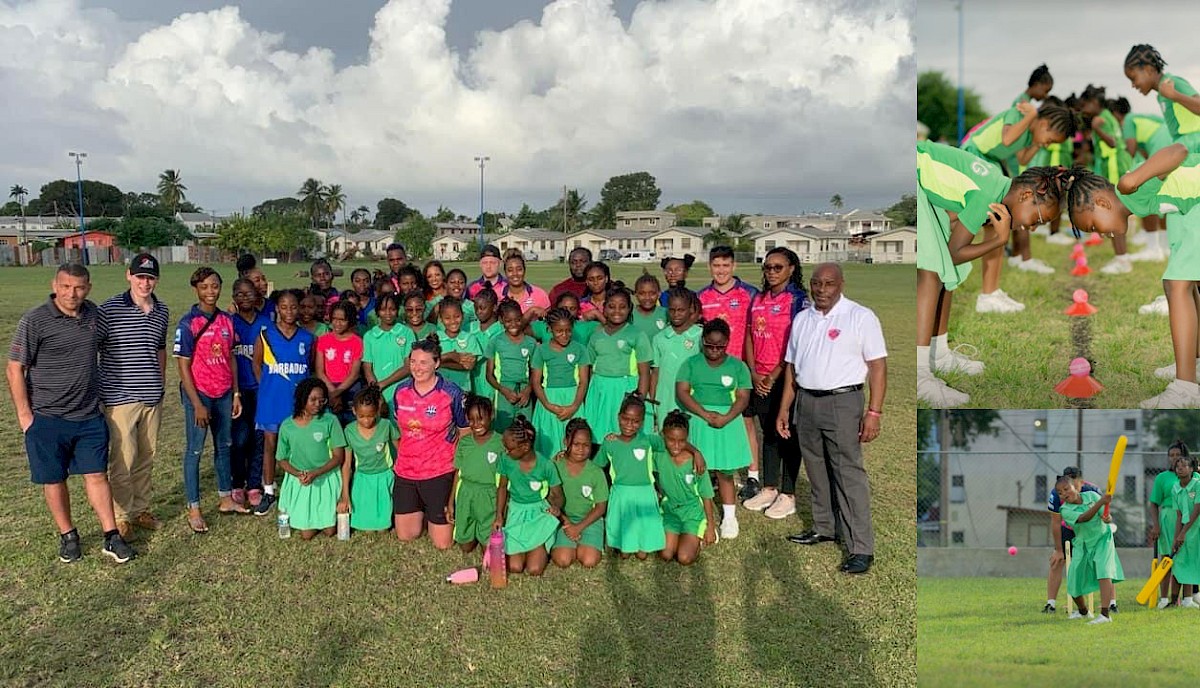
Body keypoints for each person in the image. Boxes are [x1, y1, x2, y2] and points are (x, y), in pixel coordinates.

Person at [916, 141, 1070, 406]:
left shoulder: (996, 185)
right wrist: (998, 241)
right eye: (1037, 219)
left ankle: (938, 355)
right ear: (1026, 196)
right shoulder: (987, 193)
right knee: (931, 274)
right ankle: (918, 377)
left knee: (946, 273)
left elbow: (954, 219)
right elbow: (956, 251)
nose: (1032, 227)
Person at [7, 263, 136, 563]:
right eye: (65, 286)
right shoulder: (35, 320)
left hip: (89, 416)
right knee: (54, 479)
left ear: (88, 288)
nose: (71, 293)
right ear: (55, 285)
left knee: (96, 475)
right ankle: (68, 536)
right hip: (47, 417)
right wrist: (25, 416)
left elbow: (113, 346)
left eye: (78, 287)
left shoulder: (95, 316)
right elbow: (15, 368)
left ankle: (111, 535)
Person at [1063, 145, 1200, 407]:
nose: (1101, 234)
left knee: (1177, 283)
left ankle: (1186, 388)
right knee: (1178, 284)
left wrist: (1132, 179)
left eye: (1093, 225)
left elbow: (1179, 151)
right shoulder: (1139, 201)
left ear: (1102, 203)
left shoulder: (1128, 186)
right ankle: (1194, 364)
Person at [776, 263, 886, 575]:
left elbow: (878, 366)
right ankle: (824, 527)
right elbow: (792, 369)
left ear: (841, 284)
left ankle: (860, 547)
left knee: (848, 474)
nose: (822, 290)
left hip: (843, 401)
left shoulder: (860, 316)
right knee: (816, 469)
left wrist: (874, 412)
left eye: (829, 284)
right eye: (816, 283)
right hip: (807, 401)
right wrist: (785, 408)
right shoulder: (802, 318)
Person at [97, 253, 170, 540]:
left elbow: (160, 348)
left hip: (152, 396)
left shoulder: (161, 310)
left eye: (150, 277)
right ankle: (121, 515)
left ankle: (140, 509)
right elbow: (95, 348)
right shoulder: (109, 310)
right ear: (129, 275)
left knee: (146, 457)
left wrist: (160, 381)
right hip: (120, 398)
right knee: (122, 460)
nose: (145, 282)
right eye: (140, 276)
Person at [174, 267, 245, 533]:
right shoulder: (188, 323)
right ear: (196, 289)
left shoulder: (227, 320)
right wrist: (196, 404)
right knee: (195, 450)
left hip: (224, 393)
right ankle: (194, 508)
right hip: (200, 395)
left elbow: (231, 358)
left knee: (223, 447)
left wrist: (236, 393)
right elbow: (183, 366)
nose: (210, 292)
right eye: (204, 287)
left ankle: (226, 498)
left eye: (215, 286)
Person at [742, 248, 808, 519]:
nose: (771, 272)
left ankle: (788, 494)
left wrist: (773, 375)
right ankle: (769, 487)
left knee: (786, 434)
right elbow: (749, 336)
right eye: (768, 267)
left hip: (785, 378)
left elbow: (795, 344)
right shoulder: (758, 298)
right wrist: (755, 372)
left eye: (778, 267)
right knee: (768, 432)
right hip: (760, 377)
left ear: (791, 268)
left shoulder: (798, 300)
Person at [675, 319, 752, 540]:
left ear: (727, 343)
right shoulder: (691, 364)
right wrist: (704, 413)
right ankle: (696, 513)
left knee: (725, 471)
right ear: (703, 341)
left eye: (720, 346)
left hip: (727, 422)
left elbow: (743, 396)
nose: (714, 351)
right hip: (699, 419)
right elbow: (683, 392)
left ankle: (729, 516)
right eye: (709, 345)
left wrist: (726, 416)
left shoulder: (738, 366)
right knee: (696, 469)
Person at [391, 335, 468, 549]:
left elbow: (465, 433)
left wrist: (456, 467)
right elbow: (400, 428)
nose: (417, 367)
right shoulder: (400, 392)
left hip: (439, 471)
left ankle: (435, 510)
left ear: (437, 363)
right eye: (413, 361)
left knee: (443, 544)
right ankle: (423, 512)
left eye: (424, 362)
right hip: (406, 471)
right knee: (406, 535)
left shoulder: (451, 393)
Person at [252, 289, 315, 516]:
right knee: (270, 445)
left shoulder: (307, 338)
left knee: (298, 444)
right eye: (284, 307)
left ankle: (299, 484)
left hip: (297, 402)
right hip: (272, 400)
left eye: (294, 307)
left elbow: (310, 368)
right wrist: (267, 386)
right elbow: (257, 364)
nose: (289, 311)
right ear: (277, 308)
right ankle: (269, 491)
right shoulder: (265, 335)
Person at [594, 394, 666, 559]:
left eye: (635, 421)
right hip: (621, 495)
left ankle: (643, 541)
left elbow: (672, 442)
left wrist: (695, 452)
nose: (630, 425)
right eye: (626, 419)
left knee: (642, 554)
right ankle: (624, 543)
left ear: (642, 422)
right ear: (619, 417)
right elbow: (596, 466)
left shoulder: (648, 440)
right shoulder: (610, 442)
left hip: (645, 493)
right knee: (625, 553)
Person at [277, 378, 348, 540]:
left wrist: (316, 473)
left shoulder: (330, 421)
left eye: (321, 400)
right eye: (313, 400)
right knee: (306, 534)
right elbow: (281, 459)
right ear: (302, 399)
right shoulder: (287, 425)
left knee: (330, 531)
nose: (318, 404)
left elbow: (338, 457)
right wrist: (298, 474)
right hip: (301, 480)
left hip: (325, 476)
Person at [493, 415, 564, 576]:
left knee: (534, 569)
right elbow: (502, 487)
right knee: (515, 567)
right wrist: (499, 515)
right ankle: (523, 549)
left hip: (538, 514)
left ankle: (537, 546)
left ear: (525, 447)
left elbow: (557, 495)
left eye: (509, 448)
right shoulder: (506, 460)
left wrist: (556, 507)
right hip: (516, 512)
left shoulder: (546, 465)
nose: (505, 451)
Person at [584, 283, 652, 441]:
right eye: (611, 306)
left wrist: (639, 398)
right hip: (600, 390)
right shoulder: (596, 336)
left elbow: (644, 372)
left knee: (624, 433)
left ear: (629, 309)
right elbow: (589, 368)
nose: (616, 311)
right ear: (604, 308)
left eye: (622, 307)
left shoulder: (637, 334)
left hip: (626, 389)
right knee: (599, 435)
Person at [1057, 476, 1122, 624]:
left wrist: (1107, 518)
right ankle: (1083, 612)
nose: (1064, 494)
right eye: (1060, 493)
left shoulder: (1091, 496)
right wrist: (1101, 502)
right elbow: (1083, 518)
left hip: (1102, 539)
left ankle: (1105, 614)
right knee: (1074, 580)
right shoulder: (1065, 509)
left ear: (1075, 487)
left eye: (1066, 489)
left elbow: (1104, 515)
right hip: (1082, 544)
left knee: (1104, 571)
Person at [656, 410, 717, 565]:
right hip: (670, 510)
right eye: (671, 440)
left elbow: (707, 495)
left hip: (692, 513)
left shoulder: (696, 463)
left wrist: (711, 526)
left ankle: (696, 540)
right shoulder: (659, 453)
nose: (676, 445)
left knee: (684, 558)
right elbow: (638, 440)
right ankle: (676, 536)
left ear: (687, 438)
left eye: (682, 441)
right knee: (666, 554)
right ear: (663, 435)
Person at [530, 307, 592, 460]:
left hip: (573, 400)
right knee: (548, 446)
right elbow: (536, 382)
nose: (564, 335)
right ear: (549, 329)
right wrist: (548, 405)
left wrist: (574, 406)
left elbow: (584, 381)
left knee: (573, 443)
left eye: (568, 330)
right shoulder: (541, 350)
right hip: (548, 401)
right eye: (559, 331)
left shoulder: (580, 349)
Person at [230, 277, 269, 509]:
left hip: (260, 389)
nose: (245, 298)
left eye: (249, 294)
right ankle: (237, 484)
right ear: (234, 297)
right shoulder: (229, 322)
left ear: (257, 297)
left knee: (258, 438)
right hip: (237, 391)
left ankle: (254, 485)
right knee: (239, 439)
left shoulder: (266, 323)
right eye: (240, 294)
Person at [1041, 465, 1101, 614]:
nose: (1070, 489)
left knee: (1101, 562)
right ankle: (1051, 604)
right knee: (1057, 561)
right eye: (1068, 484)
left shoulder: (1092, 491)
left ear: (1081, 481)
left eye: (1075, 482)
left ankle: (1111, 603)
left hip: (1090, 531)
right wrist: (1059, 550)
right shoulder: (1057, 493)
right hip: (1068, 528)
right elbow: (1055, 522)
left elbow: (1104, 513)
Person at [448, 394, 503, 553]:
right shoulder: (464, 443)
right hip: (466, 494)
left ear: (491, 416)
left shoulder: (500, 443)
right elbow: (457, 473)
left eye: (480, 418)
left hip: (488, 496)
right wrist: (451, 502)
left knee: (488, 548)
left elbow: (505, 479)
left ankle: (483, 534)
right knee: (465, 547)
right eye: (471, 420)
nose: (476, 424)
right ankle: (471, 532)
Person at [551, 419, 608, 569]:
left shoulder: (596, 471)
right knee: (562, 560)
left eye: (586, 445)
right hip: (563, 519)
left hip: (590, 520)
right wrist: (566, 522)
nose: (581, 449)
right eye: (576, 444)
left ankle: (586, 541)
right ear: (566, 442)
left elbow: (601, 507)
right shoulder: (555, 466)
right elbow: (550, 499)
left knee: (589, 560)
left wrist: (578, 527)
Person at [650, 286, 703, 425]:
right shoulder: (659, 338)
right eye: (672, 310)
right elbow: (655, 373)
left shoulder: (700, 336)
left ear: (690, 309)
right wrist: (653, 402)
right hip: (665, 399)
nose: (676, 314)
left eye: (681, 310)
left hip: (692, 399)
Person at [485, 298, 537, 430]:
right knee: (504, 429)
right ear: (502, 320)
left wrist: (528, 390)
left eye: (518, 320)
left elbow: (535, 372)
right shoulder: (496, 341)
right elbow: (489, 375)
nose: (514, 324)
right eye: (508, 321)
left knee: (525, 429)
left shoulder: (531, 343)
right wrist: (504, 390)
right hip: (504, 391)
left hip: (524, 392)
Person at [1149, 443, 1187, 608]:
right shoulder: (1162, 478)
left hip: (1186, 519)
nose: (1174, 458)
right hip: (1167, 519)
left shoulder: (1191, 477)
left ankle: (1185, 598)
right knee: (1166, 557)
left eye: (1177, 454)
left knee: (1184, 559)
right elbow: (1153, 503)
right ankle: (1164, 598)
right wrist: (1156, 525)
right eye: (1170, 455)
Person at [314, 301, 363, 422]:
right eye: (334, 319)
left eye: (342, 320)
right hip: (327, 386)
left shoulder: (357, 342)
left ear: (350, 320)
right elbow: (319, 371)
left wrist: (337, 393)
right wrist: (332, 392)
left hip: (350, 388)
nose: (337, 323)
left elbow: (354, 374)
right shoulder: (323, 340)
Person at [435, 296, 482, 394]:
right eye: (447, 318)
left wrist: (439, 363)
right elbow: (427, 362)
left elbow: (469, 366)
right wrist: (450, 356)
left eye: (457, 316)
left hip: (462, 390)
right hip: (439, 392)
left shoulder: (470, 338)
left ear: (463, 315)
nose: (453, 321)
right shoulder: (435, 338)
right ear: (440, 319)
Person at [1170, 454, 1200, 608]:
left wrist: (1183, 533)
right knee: (1180, 562)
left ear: (1192, 468)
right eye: (1177, 466)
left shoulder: (1197, 484)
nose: (1180, 468)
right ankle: (1180, 601)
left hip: (1196, 529)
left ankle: (1188, 599)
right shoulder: (1175, 488)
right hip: (1185, 530)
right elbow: (1179, 515)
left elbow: (1197, 509)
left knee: (1194, 562)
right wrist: (1176, 537)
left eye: (1184, 465)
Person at [500, 251, 550, 317]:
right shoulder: (498, 296)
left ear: (524, 270)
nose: (515, 274)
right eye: (510, 270)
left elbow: (549, 323)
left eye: (519, 269)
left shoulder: (540, 295)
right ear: (505, 272)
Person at [630, 273, 668, 348]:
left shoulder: (666, 313)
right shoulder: (629, 315)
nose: (647, 297)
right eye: (642, 293)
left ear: (659, 294)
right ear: (636, 294)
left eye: (652, 293)